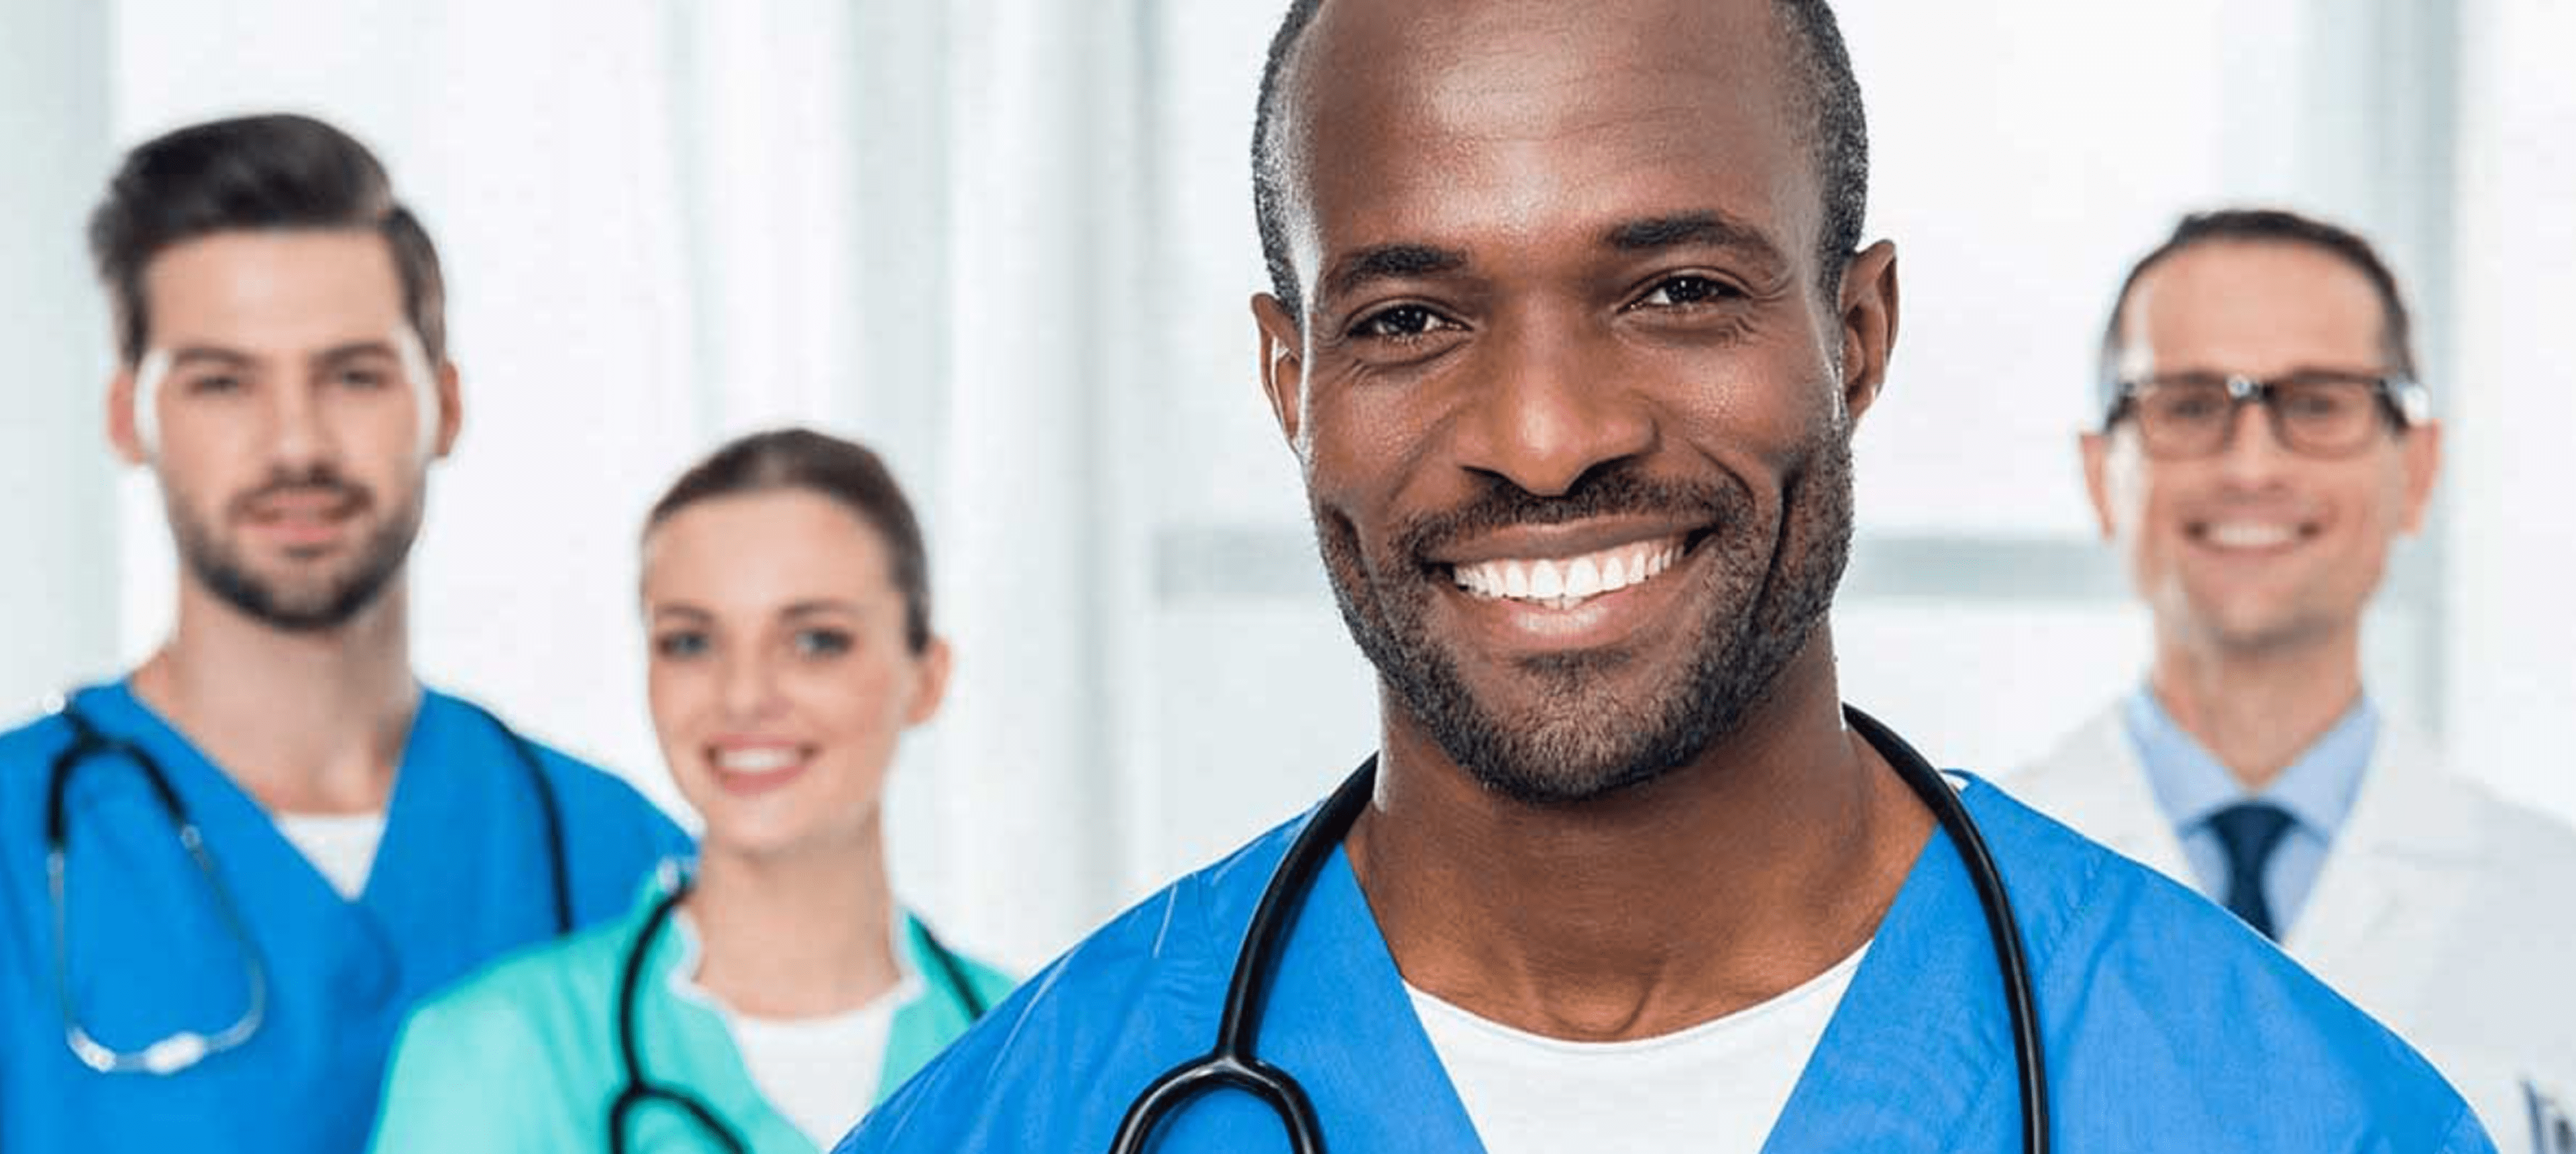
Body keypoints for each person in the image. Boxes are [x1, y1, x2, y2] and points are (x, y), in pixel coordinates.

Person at [841, 1, 2491, 1151]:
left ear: (1855, 336)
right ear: (1291, 385)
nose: (1546, 437)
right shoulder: (1011, 1116)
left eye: (1676, 289)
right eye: (1407, 318)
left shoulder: (2311, 1114)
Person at [0, 113, 689, 1152]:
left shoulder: (610, 856)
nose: (296, 444)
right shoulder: (16, 852)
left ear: (445, 405)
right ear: (127, 418)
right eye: (222, 382)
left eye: (355, 375)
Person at [2002, 208, 2576, 1153]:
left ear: (2418, 470)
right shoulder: (1958, 899)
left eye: (2318, 403)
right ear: (2103, 476)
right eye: (2188, 405)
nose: (2252, 465)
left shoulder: (2552, 911)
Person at [369, 428, 1013, 1152]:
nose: (744, 696)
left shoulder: (1040, 1051)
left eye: (815, 641)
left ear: (927, 677)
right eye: (691, 642)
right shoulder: (498, 1053)